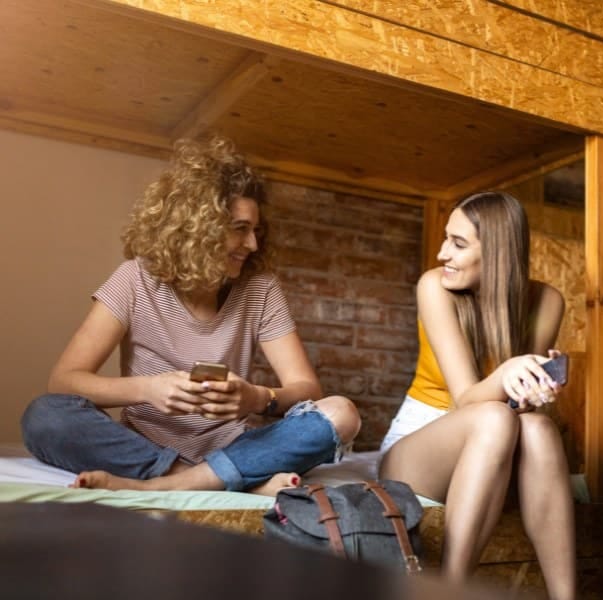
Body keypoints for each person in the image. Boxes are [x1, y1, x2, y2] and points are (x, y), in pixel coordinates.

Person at [20, 135, 360, 495]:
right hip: (147, 448)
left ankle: (175, 484)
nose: (252, 245)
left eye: (256, 231)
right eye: (240, 229)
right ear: (200, 227)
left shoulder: (260, 288)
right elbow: (64, 381)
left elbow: (306, 389)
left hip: (233, 447)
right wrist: (148, 389)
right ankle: (205, 479)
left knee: (341, 413)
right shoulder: (134, 278)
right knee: (44, 416)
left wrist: (256, 398)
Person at [378, 191, 575, 600]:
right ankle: (448, 591)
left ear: (499, 252)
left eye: (458, 243)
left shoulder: (547, 301)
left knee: (536, 427)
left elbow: (516, 408)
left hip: (496, 450)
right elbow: (467, 399)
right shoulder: (435, 287)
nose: (441, 252)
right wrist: (507, 374)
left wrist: (535, 386)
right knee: (494, 418)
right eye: (446, 238)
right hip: (420, 446)